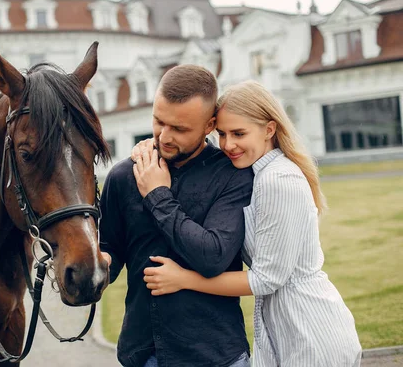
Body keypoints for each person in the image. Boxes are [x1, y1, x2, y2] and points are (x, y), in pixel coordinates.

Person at [134, 80, 362, 366]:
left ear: (269, 129)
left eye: (239, 133)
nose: (228, 145)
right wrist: (153, 147)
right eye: (222, 134)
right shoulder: (256, 174)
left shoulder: (279, 180)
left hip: (310, 329)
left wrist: (184, 279)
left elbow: (266, 278)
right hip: (285, 328)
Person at [99, 65, 254, 367]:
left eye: (180, 129)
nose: (164, 136)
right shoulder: (122, 176)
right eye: (159, 121)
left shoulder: (232, 175)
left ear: (209, 125)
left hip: (216, 355)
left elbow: (213, 257)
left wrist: (157, 195)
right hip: (143, 354)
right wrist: (97, 263)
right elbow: (111, 250)